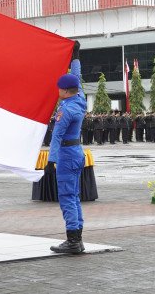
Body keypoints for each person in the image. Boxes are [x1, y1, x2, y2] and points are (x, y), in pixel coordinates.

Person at [49, 52, 86, 254]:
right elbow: (77, 78)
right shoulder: (79, 99)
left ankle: (73, 241)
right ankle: (77, 239)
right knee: (74, 196)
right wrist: (76, 58)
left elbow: (56, 136)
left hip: (66, 154)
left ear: (64, 91)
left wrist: (51, 160)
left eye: (59, 89)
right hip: (77, 152)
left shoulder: (66, 111)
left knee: (67, 197)